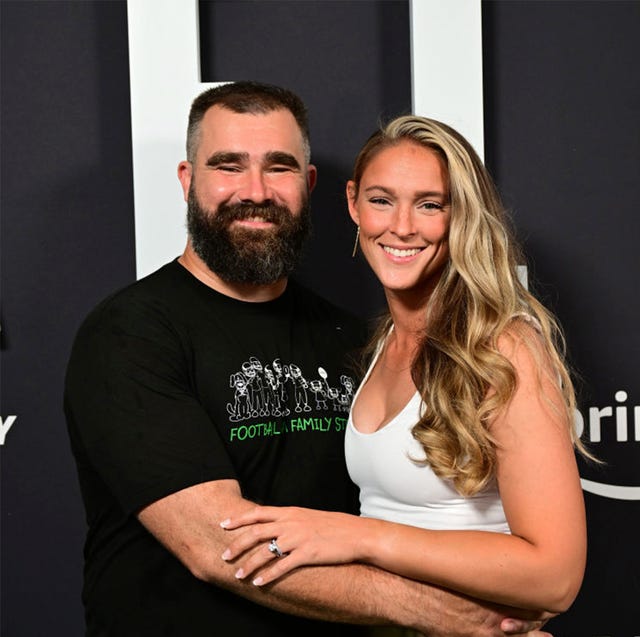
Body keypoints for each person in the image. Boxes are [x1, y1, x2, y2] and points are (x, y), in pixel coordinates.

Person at [65, 83, 552, 636]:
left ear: (309, 184)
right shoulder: (130, 333)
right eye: (228, 165)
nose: (255, 191)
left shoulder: (357, 339)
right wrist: (443, 615)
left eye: (279, 167)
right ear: (187, 180)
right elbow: (219, 545)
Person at [220, 115, 588, 618]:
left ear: (462, 215)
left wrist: (358, 536)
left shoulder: (504, 347)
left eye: (430, 204)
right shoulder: (382, 343)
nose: (402, 227)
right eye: (381, 200)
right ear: (353, 203)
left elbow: (555, 577)